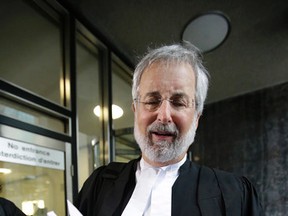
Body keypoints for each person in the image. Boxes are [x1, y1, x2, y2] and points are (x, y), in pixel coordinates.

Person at [75, 42, 263, 216]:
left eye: (179, 102)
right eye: (152, 101)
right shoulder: (99, 185)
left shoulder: (234, 194)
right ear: (135, 111)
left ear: (196, 117)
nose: (164, 115)